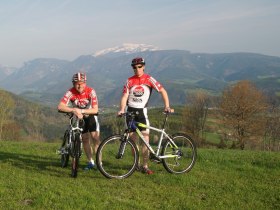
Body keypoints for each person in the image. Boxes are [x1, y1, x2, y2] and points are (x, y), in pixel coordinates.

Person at [118, 57, 171, 175]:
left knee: (145, 139)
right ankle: (136, 164)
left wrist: (167, 105)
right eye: (134, 67)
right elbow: (124, 96)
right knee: (133, 140)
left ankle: (145, 166)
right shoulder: (129, 81)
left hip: (142, 112)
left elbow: (162, 90)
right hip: (130, 112)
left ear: (144, 66)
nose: (137, 69)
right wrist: (122, 109)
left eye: (139, 67)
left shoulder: (149, 79)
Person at [58, 72, 100, 170]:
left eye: (81, 82)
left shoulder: (91, 91)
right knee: (85, 139)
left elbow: (95, 109)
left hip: (91, 116)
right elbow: (60, 106)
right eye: (77, 83)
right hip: (78, 118)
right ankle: (91, 162)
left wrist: (81, 110)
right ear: (73, 84)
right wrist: (73, 110)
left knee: (95, 138)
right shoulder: (70, 92)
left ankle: (99, 163)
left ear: (85, 83)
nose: (79, 85)